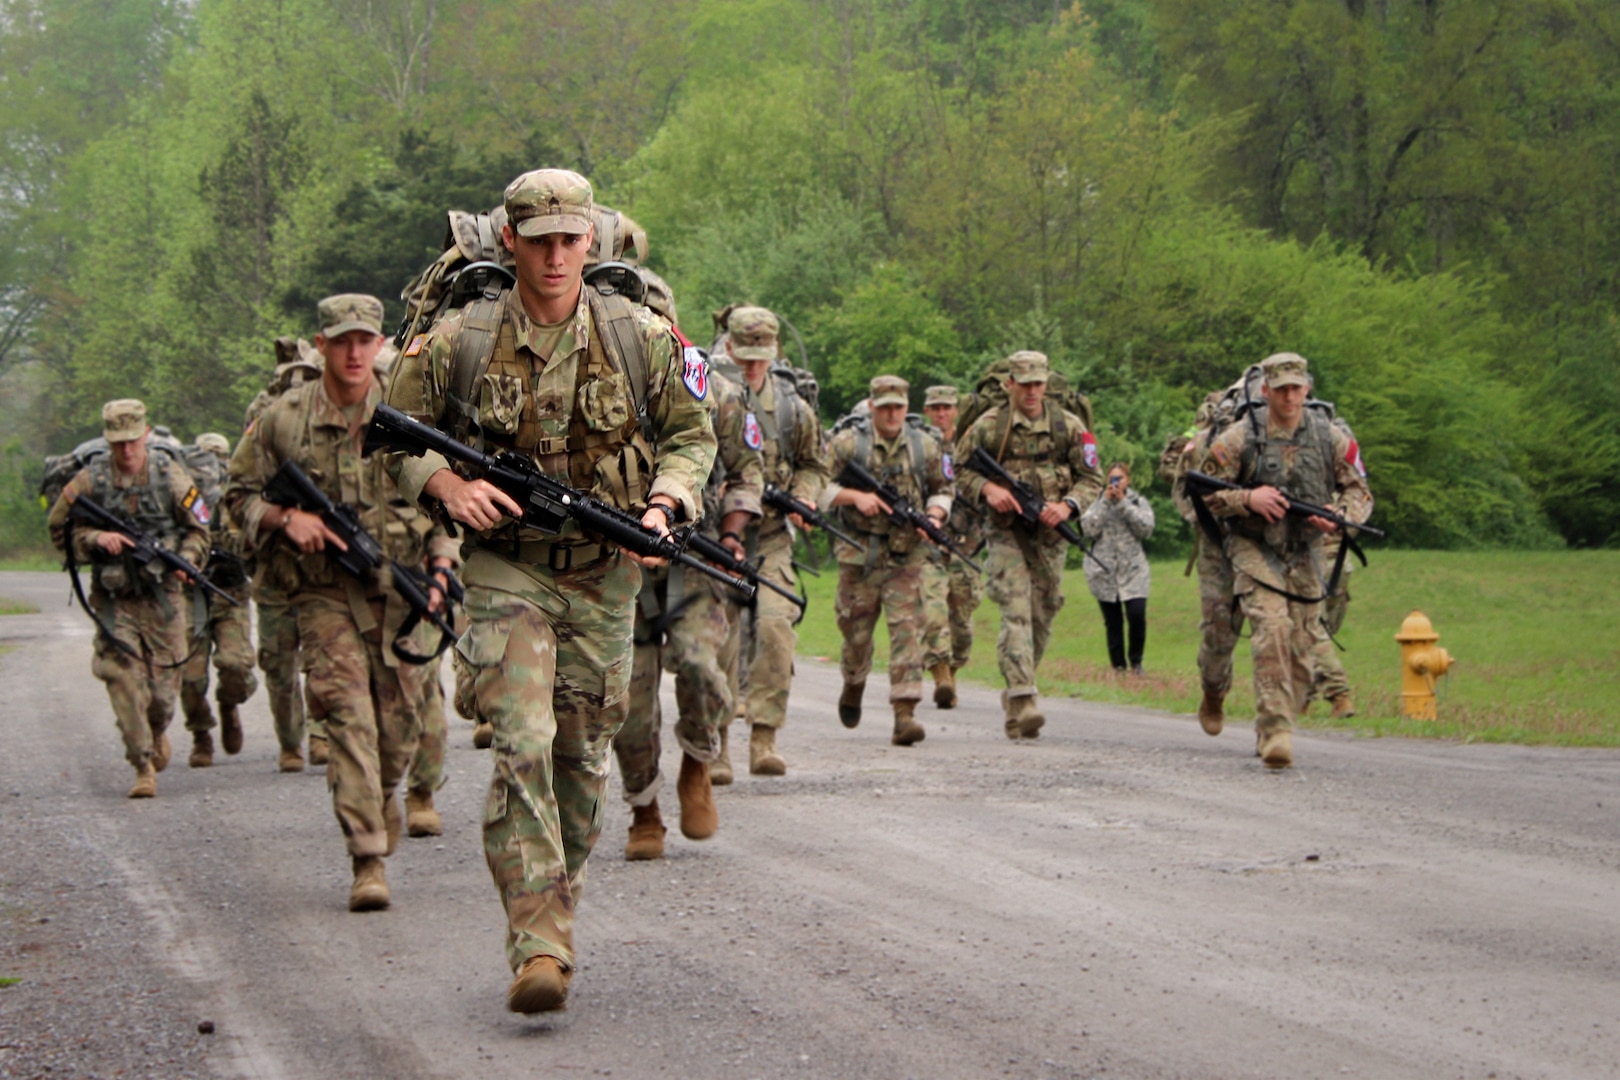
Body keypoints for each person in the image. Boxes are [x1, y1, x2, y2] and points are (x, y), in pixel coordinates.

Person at [381, 169, 715, 1014]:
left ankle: (552, 900)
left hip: (604, 573)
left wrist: (667, 501)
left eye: (572, 239)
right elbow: (385, 441)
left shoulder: (642, 337)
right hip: (505, 568)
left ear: (590, 240)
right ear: (512, 244)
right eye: (541, 242)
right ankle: (538, 945)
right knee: (522, 739)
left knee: (578, 760)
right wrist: (446, 488)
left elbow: (692, 434)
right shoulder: (459, 339)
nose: (558, 256)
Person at [226, 293, 459, 910]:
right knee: (348, 718)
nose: (355, 352)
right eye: (342, 341)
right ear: (322, 345)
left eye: (366, 340)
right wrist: (281, 519)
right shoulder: (283, 419)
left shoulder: (409, 410)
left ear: (380, 345)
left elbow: (444, 498)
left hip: (402, 589)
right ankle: (367, 858)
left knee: (400, 729)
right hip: (325, 593)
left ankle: (384, 796)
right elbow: (237, 497)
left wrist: (441, 565)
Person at [616, 347, 762, 860]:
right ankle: (644, 810)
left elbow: (747, 472)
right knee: (629, 702)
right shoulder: (597, 385)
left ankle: (698, 760)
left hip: (696, 562)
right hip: (620, 565)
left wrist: (731, 533)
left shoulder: (714, 394)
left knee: (701, 667)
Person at [1196, 352, 1371, 768]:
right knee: (1271, 627)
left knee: (1302, 641)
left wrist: (1341, 519)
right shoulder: (1239, 438)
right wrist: (1246, 498)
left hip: (1306, 549)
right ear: (1267, 391)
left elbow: (1359, 490)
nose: (1290, 396)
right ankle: (1276, 729)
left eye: (1297, 388)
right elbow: (1202, 492)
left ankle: (1276, 722)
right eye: (1281, 389)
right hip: (1253, 546)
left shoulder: (1331, 438)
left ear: (1306, 389)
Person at [47, 400, 211, 798]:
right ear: (108, 441)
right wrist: (93, 539)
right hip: (115, 600)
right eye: (117, 443)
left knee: (161, 697)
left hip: (164, 600)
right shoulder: (90, 481)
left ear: (146, 435)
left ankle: (156, 731)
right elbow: (59, 530)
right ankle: (141, 765)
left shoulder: (169, 475)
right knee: (121, 676)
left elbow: (201, 528)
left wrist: (187, 560)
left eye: (132, 442)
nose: (125, 451)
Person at [954, 351, 1104, 739]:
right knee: (1016, 608)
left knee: (1043, 612)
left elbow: (1092, 477)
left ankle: (1016, 690)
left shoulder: (1067, 426)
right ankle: (1024, 698)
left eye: (1039, 383)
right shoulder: (989, 426)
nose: (1033, 391)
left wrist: (1067, 505)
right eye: (1025, 384)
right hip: (1005, 532)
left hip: (1050, 534)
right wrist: (988, 489)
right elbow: (959, 470)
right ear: (1010, 385)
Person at [725, 306, 828, 777]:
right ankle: (716, 743)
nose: (751, 365)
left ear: (774, 352)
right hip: (716, 535)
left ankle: (764, 737)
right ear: (727, 348)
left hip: (770, 535)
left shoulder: (792, 409)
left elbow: (813, 464)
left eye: (760, 356)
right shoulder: (706, 398)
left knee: (774, 627)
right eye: (743, 355)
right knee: (717, 642)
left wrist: (803, 498)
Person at [823, 375, 952, 746]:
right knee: (856, 635)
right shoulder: (848, 444)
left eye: (898, 406)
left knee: (906, 629)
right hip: (858, 555)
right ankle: (854, 680)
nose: (893, 413)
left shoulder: (925, 445)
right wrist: (852, 497)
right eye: (885, 407)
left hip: (905, 553)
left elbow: (944, 487)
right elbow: (816, 484)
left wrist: (934, 515)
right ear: (873, 407)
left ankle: (905, 712)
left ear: (907, 407)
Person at [176, 432, 259, 767]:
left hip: (233, 591)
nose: (214, 469)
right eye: (208, 459)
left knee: (237, 666)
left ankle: (229, 704)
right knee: (190, 677)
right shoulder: (185, 500)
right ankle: (201, 736)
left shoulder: (239, 497)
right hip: (191, 594)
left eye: (220, 459)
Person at [919, 384, 983, 707]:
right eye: (935, 408)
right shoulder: (918, 445)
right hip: (928, 544)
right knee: (932, 613)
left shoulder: (971, 445)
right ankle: (940, 675)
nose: (941, 413)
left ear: (955, 410)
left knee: (962, 622)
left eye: (946, 407)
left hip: (965, 544)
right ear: (927, 410)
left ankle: (953, 669)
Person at [1080, 461, 1154, 673]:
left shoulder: (1138, 502)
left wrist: (1123, 503)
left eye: (1119, 479)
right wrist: (1106, 502)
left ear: (1127, 480)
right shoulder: (1096, 503)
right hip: (1104, 572)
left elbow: (1146, 529)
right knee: (1113, 622)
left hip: (1133, 570)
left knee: (1137, 615)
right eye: (1112, 479)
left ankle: (1136, 662)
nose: (1115, 483)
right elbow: (1089, 530)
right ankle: (1119, 667)